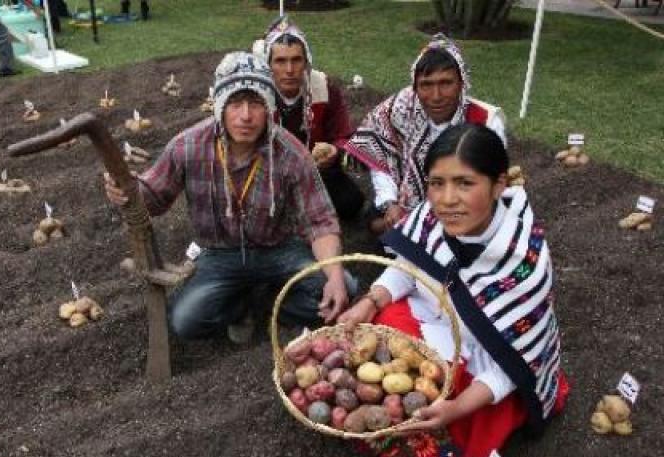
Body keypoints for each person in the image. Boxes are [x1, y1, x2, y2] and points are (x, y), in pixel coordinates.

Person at [337, 124, 568, 457]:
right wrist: (370, 300)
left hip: (482, 360)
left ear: (499, 184)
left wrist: (457, 409)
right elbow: (408, 266)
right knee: (377, 330)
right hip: (431, 325)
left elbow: (510, 362)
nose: (447, 199)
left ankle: (445, 418)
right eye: (436, 183)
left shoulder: (523, 261)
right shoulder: (434, 214)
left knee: (454, 407)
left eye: (465, 183)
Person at [104, 52, 355, 342]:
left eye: (256, 103)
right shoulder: (188, 147)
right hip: (220, 254)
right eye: (235, 103)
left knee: (343, 288)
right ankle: (239, 305)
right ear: (220, 105)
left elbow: (320, 221)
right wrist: (127, 191)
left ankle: (278, 301)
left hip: (280, 249)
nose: (245, 115)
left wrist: (334, 277)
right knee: (187, 321)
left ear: (269, 107)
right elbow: (153, 198)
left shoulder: (291, 152)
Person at [345, 34, 506, 235]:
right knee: (376, 220)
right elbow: (381, 155)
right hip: (407, 202)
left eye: (446, 83)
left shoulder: (486, 122)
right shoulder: (401, 107)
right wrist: (390, 203)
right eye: (426, 85)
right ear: (415, 86)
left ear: (462, 83)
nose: (436, 96)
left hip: (460, 207)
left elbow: (487, 184)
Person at [256, 17, 365, 221]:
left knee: (351, 202)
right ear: (268, 64)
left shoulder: (323, 88)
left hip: (317, 172)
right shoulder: (257, 94)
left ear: (306, 61)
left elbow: (343, 136)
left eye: (296, 60)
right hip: (269, 174)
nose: (289, 70)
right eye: (280, 61)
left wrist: (334, 151)